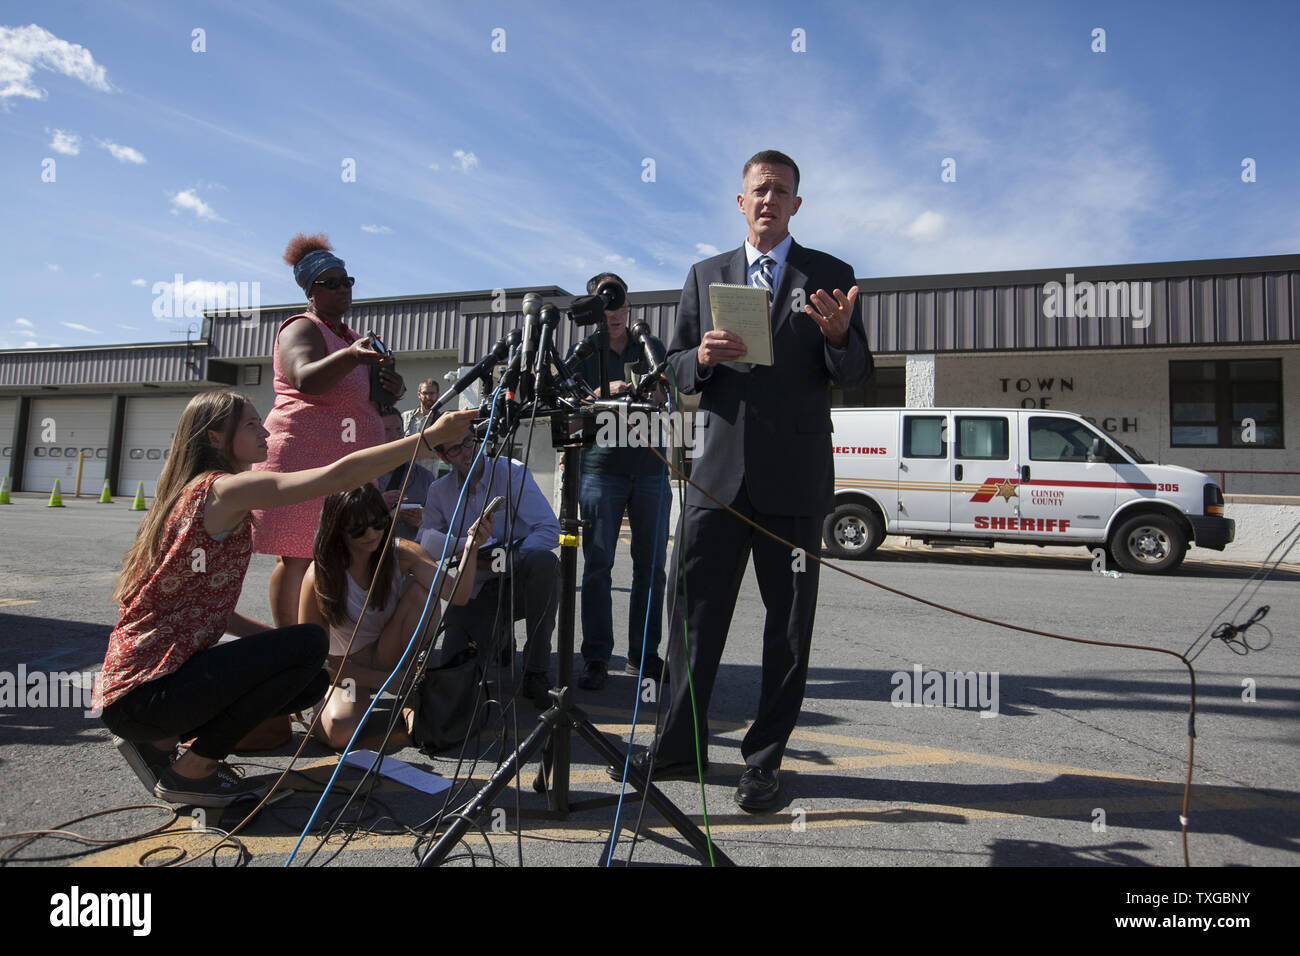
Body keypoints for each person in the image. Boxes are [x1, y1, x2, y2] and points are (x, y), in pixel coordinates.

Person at [97, 390, 476, 808]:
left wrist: (277, 655)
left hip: (144, 697)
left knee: (307, 674)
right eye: (250, 425)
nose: (265, 432)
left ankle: (161, 742)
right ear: (215, 439)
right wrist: (428, 438)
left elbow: (208, 610)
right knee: (308, 644)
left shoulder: (192, 494)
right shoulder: (222, 492)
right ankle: (191, 772)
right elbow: (339, 476)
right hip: (146, 695)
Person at [635, 150, 872, 812]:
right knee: (692, 618)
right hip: (716, 480)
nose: (769, 199)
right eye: (758, 190)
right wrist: (700, 358)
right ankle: (678, 749)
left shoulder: (831, 275)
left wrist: (837, 338)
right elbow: (676, 370)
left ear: (797, 204)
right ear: (741, 202)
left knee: (787, 631)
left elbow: (855, 374)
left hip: (794, 485)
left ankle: (764, 762)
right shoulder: (704, 275)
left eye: (782, 191)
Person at [252, 233, 407, 628]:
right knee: (299, 555)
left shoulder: (353, 337)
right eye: (331, 283)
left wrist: (392, 388)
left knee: (335, 553)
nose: (342, 289)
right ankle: (290, 645)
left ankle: (320, 643)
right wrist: (352, 356)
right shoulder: (301, 328)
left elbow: (359, 395)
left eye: (347, 281)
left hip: (345, 461)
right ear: (310, 290)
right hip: (302, 453)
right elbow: (305, 378)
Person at [298, 485, 489, 748]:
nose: (372, 534)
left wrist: (471, 548)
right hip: (347, 671)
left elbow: (457, 595)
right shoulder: (319, 574)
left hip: (389, 655)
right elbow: (312, 660)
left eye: (379, 524)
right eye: (358, 529)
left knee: (422, 592)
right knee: (340, 733)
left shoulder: (403, 553)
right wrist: (384, 682)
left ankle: (411, 691)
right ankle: (320, 705)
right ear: (337, 529)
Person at [565, 272, 671, 691]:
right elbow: (567, 412)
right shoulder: (583, 351)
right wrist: (599, 394)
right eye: (603, 303)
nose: (612, 310)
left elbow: (670, 395)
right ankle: (596, 658)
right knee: (597, 567)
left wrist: (657, 393)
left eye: (618, 301)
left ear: (628, 304)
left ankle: (644, 656)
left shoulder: (648, 345)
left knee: (652, 569)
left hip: (650, 470)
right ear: (592, 309)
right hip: (600, 469)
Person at [419, 435, 560, 709]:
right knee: (454, 665)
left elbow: (549, 530)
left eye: (470, 442)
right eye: (455, 449)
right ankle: (499, 635)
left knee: (545, 564)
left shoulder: (512, 473)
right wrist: (466, 550)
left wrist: (505, 556)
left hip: (517, 576)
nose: (467, 453)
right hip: (477, 586)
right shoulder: (439, 490)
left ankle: (536, 669)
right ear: (443, 458)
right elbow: (426, 539)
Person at [376, 408, 437, 540]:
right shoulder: (360, 476)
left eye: (398, 430)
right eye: (386, 430)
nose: (394, 436)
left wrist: (423, 520)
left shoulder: (424, 478)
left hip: (410, 555)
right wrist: (376, 506)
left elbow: (439, 527)